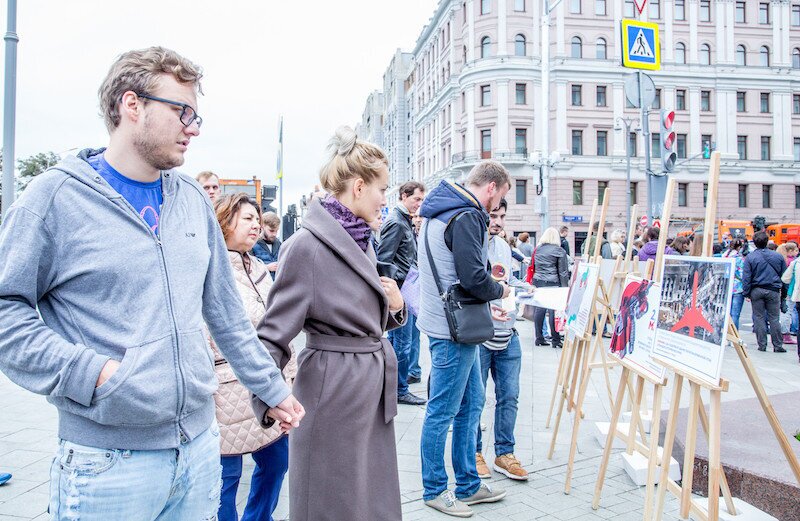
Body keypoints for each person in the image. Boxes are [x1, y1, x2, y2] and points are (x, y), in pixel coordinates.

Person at [0, 47, 304, 520]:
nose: (194, 127)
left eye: (197, 115)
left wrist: (271, 386)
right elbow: (6, 311)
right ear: (132, 105)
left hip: (201, 449)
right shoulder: (53, 197)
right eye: (182, 111)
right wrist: (91, 372)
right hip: (106, 464)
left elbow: (224, 311)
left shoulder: (191, 200)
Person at [251, 126, 406, 521]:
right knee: (332, 501)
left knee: (370, 501)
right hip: (332, 391)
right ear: (358, 187)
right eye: (382, 190)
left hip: (368, 389)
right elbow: (272, 333)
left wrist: (396, 307)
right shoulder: (304, 246)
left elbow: (358, 315)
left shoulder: (360, 237)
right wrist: (268, 398)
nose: (385, 199)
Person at [418, 160, 511, 517]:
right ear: (491, 188)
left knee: (471, 404)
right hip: (454, 331)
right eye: (499, 197)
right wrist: (499, 291)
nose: (496, 206)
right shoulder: (468, 215)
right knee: (442, 411)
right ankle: (435, 489)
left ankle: (469, 485)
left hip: (449, 324)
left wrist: (486, 306)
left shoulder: (438, 211)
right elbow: (473, 277)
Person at [211, 194, 296, 521]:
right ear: (224, 221)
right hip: (226, 388)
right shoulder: (212, 266)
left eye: (257, 219)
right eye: (247, 218)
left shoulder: (259, 267)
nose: (256, 224)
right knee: (226, 475)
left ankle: (259, 517)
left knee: (277, 461)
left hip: (267, 384)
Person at [475, 199, 529, 482]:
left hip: (508, 331)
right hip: (480, 334)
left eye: (502, 216)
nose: (497, 221)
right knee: (475, 398)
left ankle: (504, 453)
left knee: (509, 396)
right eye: (493, 215)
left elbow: (506, 281)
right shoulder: (472, 244)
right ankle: (474, 452)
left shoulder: (504, 248)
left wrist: (524, 290)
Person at [377, 181, 427, 405]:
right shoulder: (397, 222)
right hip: (400, 292)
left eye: (421, 199)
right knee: (402, 344)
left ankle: (398, 387)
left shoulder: (403, 220)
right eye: (417, 199)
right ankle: (398, 390)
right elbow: (383, 259)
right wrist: (392, 292)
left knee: (405, 342)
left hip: (406, 290)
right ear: (404, 196)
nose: (419, 204)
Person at [743, 231, 787, 353]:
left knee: (759, 317)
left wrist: (746, 292)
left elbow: (746, 277)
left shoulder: (750, 257)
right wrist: (783, 294)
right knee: (774, 318)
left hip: (756, 290)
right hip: (773, 289)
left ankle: (762, 344)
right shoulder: (778, 256)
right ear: (767, 241)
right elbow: (784, 277)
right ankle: (777, 345)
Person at [532, 227, 570, 348]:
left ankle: (539, 338)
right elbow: (563, 272)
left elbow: (533, 266)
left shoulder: (537, 249)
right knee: (554, 311)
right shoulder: (559, 251)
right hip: (553, 282)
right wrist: (565, 289)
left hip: (538, 281)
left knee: (539, 310)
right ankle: (555, 339)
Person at [723, 239, 746, 330]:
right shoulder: (739, 260)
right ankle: (734, 335)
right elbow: (742, 274)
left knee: (726, 313)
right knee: (735, 314)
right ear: (739, 247)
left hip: (726, 286)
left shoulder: (724, 257)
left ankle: (725, 334)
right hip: (738, 287)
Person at [252, 211, 281, 279]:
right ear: (262, 227)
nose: (274, 234)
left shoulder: (279, 244)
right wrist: (266, 268)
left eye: (276, 231)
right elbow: (247, 269)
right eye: (271, 231)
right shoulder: (252, 244)